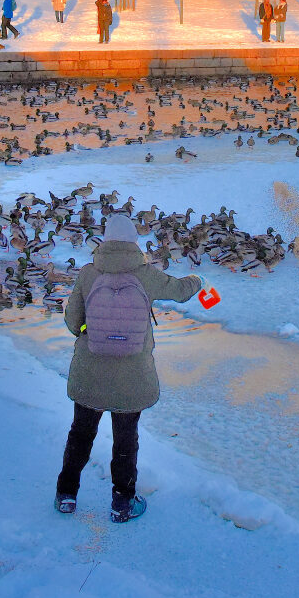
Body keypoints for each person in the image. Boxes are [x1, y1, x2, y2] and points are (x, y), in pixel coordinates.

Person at [54, 214, 202, 523]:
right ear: (134, 241)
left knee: (81, 433)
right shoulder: (145, 274)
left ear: (105, 241)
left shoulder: (88, 274)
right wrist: (199, 282)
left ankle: (66, 495)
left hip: (89, 373)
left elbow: (72, 321)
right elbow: (179, 291)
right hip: (131, 374)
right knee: (125, 439)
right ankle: (122, 504)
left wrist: (88, 330)